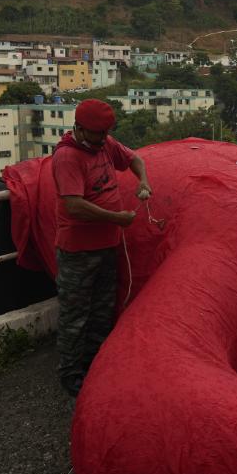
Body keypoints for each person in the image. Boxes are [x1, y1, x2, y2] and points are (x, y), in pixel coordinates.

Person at [52, 98, 152, 398]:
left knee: (101, 309)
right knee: (75, 315)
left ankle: (96, 365)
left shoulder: (105, 144)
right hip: (78, 250)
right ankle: (71, 376)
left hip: (106, 245)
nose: (102, 139)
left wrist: (143, 182)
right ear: (80, 129)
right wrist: (116, 218)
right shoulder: (68, 157)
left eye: (106, 133)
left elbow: (135, 159)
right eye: (97, 134)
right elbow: (74, 206)